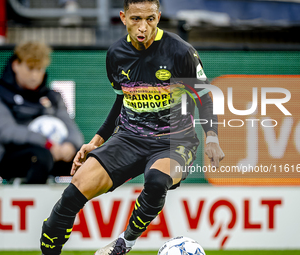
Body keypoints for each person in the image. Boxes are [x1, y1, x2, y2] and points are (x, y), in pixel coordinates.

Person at [39, 0, 224, 254]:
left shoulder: (180, 52)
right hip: (128, 138)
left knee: (157, 181)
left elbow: (204, 98)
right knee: (72, 193)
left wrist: (211, 137)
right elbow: (121, 101)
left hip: (175, 141)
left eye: (150, 19)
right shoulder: (115, 55)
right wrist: (96, 141)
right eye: (136, 19)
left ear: (158, 17)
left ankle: (124, 243)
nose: (143, 27)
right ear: (123, 17)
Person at [0, 41, 84, 184]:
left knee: (88, 158)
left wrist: (69, 145)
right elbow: (5, 131)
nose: (35, 75)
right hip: (11, 157)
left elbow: (72, 128)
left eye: (39, 69)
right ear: (16, 65)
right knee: (40, 157)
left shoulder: (53, 97)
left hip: (54, 152)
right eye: (30, 68)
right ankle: (35, 203)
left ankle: (81, 203)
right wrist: (46, 143)